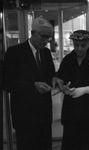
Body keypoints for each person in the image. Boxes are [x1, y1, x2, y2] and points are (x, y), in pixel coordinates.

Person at [3, 16, 62, 150]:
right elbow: (8, 83)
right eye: (43, 37)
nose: (46, 41)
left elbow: (50, 74)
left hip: (44, 114)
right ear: (32, 33)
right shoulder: (14, 53)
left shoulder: (46, 53)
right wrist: (33, 85)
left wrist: (55, 79)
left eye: (49, 38)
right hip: (25, 115)